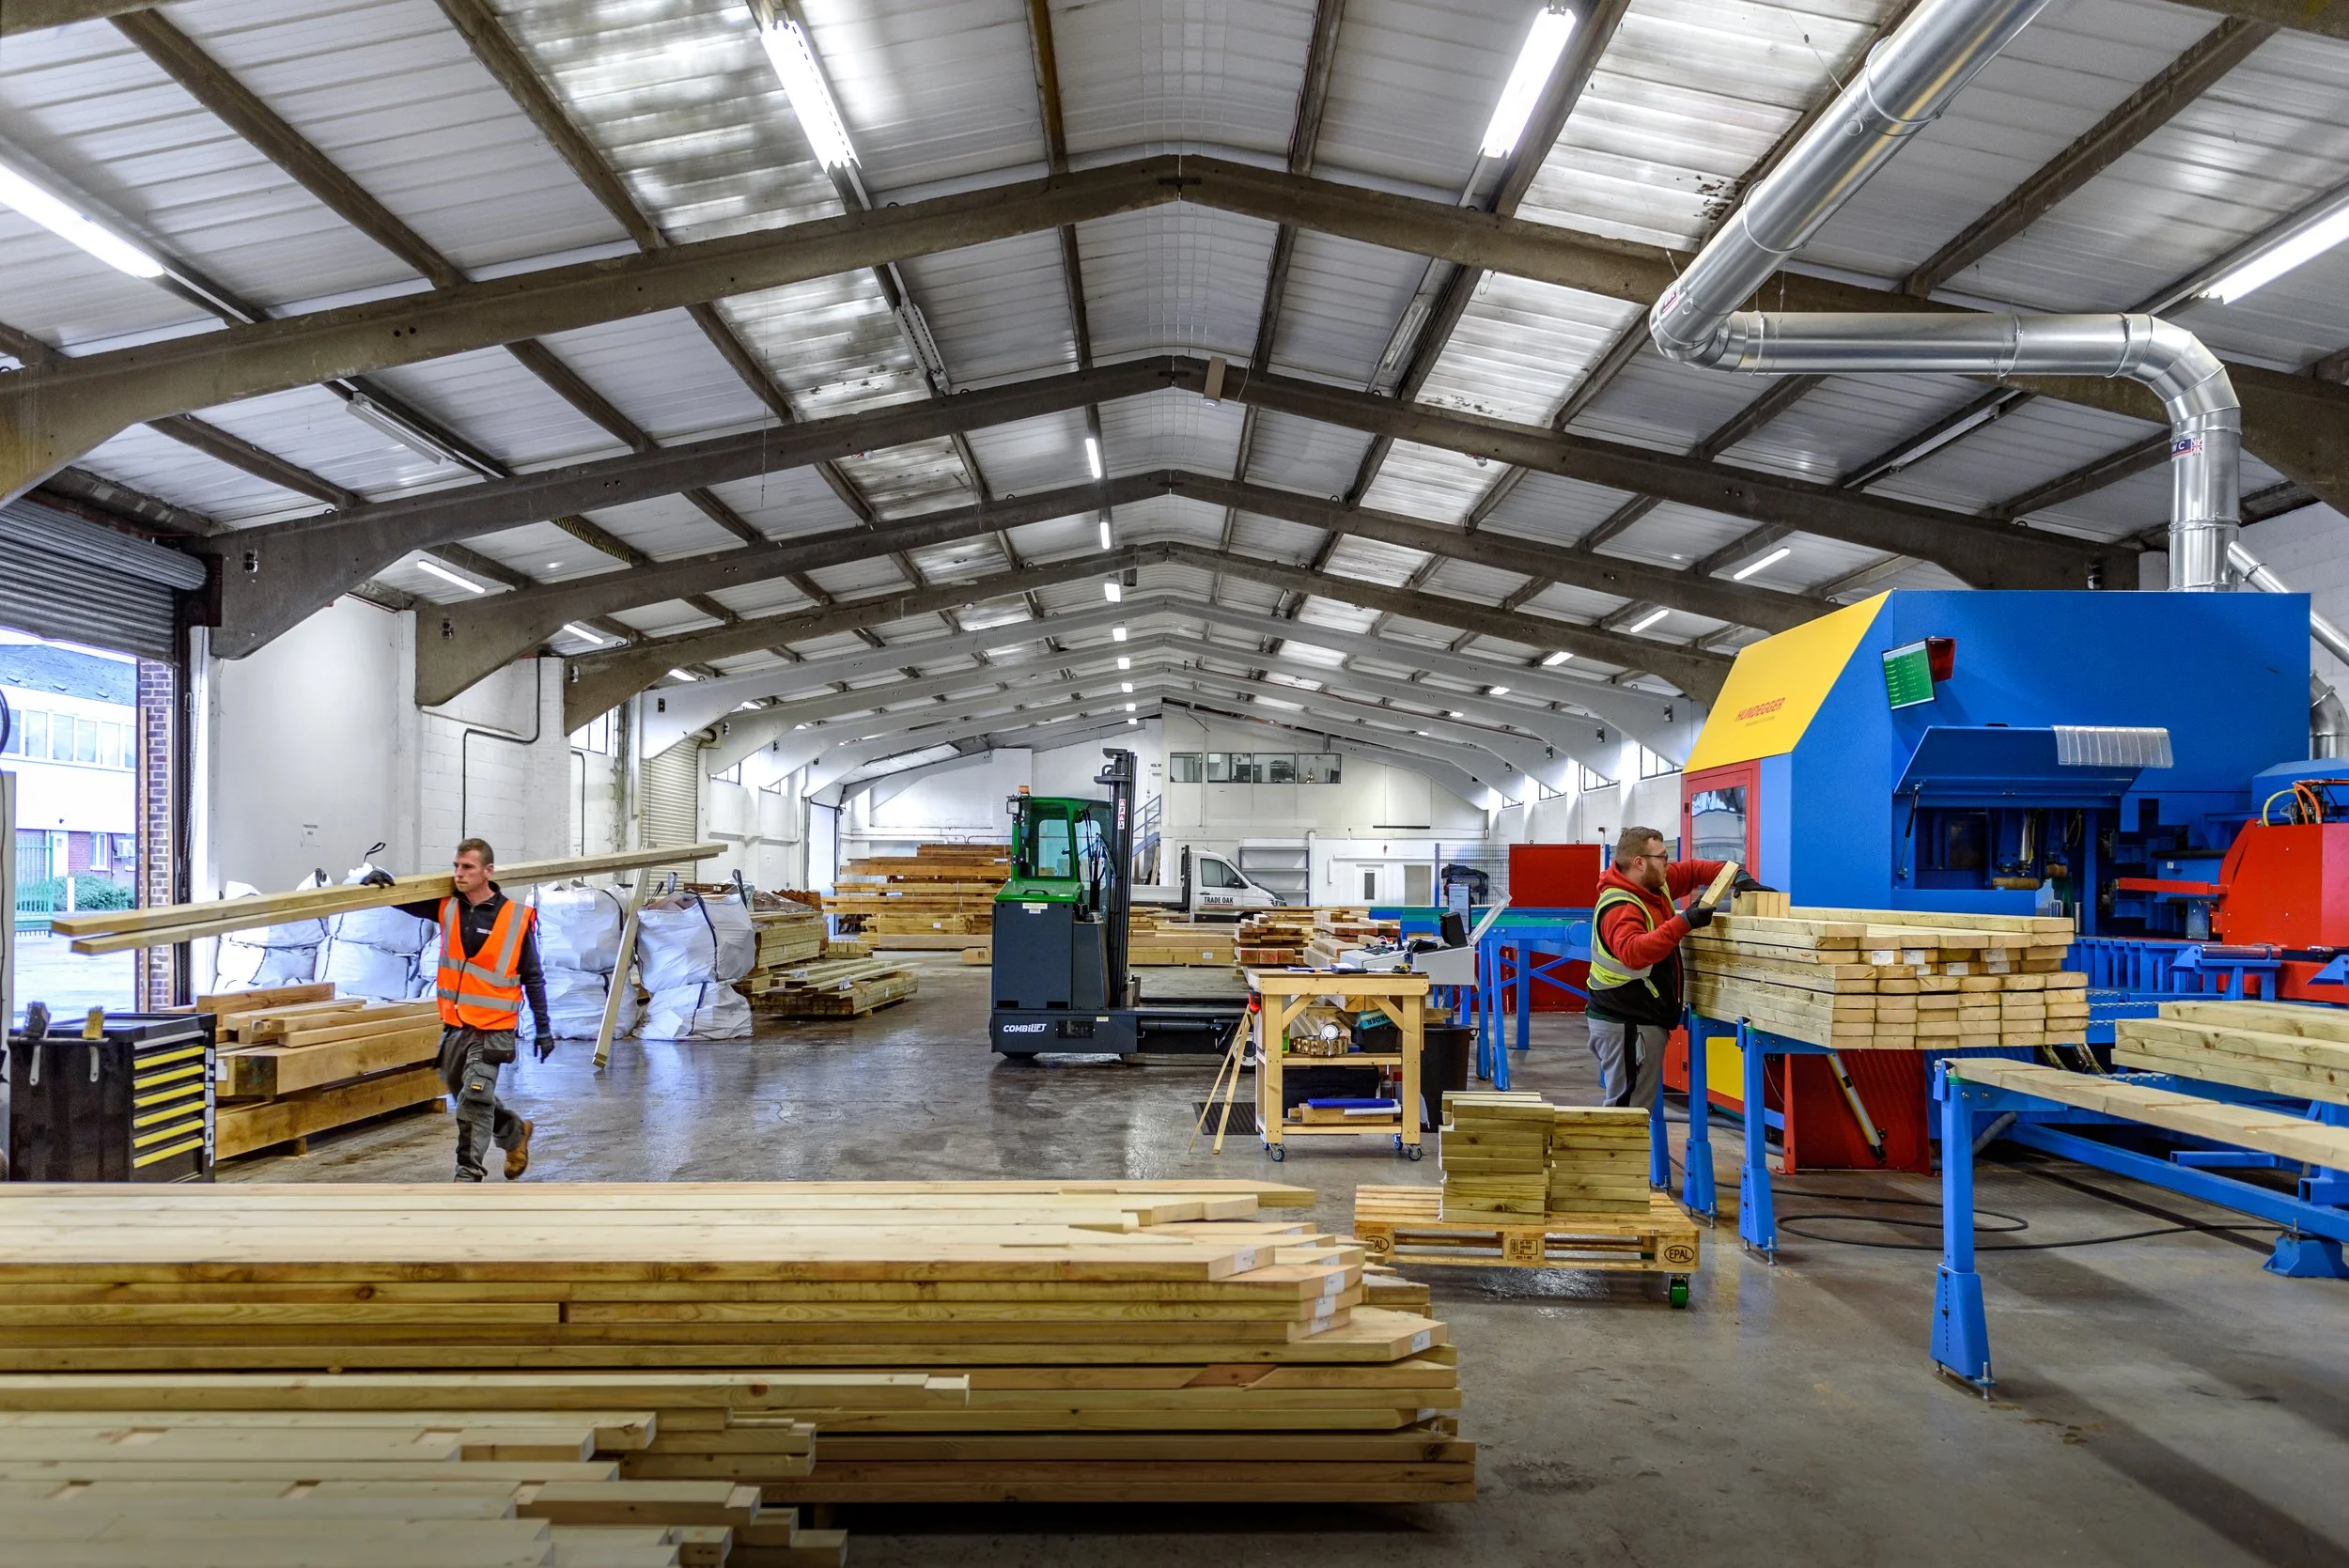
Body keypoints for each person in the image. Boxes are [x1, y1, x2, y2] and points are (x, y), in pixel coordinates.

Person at [365, 838, 554, 1182]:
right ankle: (514, 1132)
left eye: (467, 867)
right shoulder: (448, 906)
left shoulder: (513, 918)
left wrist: (543, 1027)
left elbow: (533, 976)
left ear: (488, 871)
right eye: (456, 866)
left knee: (474, 1101)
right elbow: (405, 900)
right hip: (455, 1027)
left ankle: (467, 1173)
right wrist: (383, 881)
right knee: (462, 1093)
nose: (459, 873)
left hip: (494, 1029)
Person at [1584, 827, 1765, 1112]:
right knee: (1625, 1117)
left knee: (1632, 1109)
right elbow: (1635, 953)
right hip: (1626, 1024)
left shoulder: (1656, 885)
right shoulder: (1620, 905)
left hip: (1638, 1021)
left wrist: (1738, 876)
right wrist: (1685, 922)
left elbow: (1696, 870)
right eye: (1663, 858)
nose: (1668, 864)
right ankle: (1610, 1158)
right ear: (1639, 862)